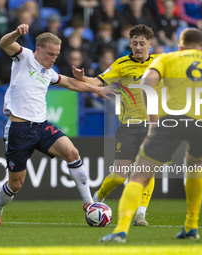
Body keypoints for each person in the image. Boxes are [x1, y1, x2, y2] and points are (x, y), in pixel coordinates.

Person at [100, 28, 202, 242]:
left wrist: (154, 120)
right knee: (195, 167)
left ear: (180, 47)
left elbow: (148, 84)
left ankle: (121, 230)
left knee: (141, 172)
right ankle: (191, 226)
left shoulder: (168, 59)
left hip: (173, 119)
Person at [0, 23, 116, 226]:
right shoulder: (25, 57)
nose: (54, 58)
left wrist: (95, 89)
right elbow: (4, 43)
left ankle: (89, 204)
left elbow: (69, 82)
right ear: (38, 50)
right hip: (18, 130)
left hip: (41, 126)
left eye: (57, 55)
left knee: (72, 153)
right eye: (50, 54)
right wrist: (16, 33)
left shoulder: (49, 72)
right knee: (16, 184)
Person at [72, 24, 160, 227]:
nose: (138, 47)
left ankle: (141, 214)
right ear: (130, 44)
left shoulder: (160, 63)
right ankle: (98, 198)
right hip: (128, 126)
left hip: (152, 125)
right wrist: (82, 78)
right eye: (135, 43)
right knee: (120, 176)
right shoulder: (121, 64)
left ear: (150, 44)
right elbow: (98, 81)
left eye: (142, 43)